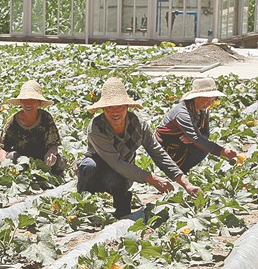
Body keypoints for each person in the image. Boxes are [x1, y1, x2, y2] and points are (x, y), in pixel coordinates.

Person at [77, 77, 200, 218]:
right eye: (109, 107)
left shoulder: (139, 125)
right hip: (99, 168)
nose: (115, 112)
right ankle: (83, 204)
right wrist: (151, 178)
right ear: (103, 109)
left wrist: (184, 183)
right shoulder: (96, 127)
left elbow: (157, 152)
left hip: (124, 171)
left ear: (127, 107)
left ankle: (122, 205)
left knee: (117, 180)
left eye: (120, 106)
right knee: (88, 166)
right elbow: (115, 162)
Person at [155, 77, 239, 173]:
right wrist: (222, 151)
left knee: (202, 147)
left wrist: (192, 138)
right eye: (207, 100)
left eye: (212, 100)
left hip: (183, 146)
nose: (209, 104)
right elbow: (197, 138)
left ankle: (183, 171)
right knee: (200, 145)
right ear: (196, 98)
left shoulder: (203, 110)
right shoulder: (182, 113)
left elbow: (205, 134)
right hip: (165, 147)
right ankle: (174, 172)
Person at [0, 80, 66, 174]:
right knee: (11, 156)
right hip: (20, 160)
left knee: (59, 161)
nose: (28, 103)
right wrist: (3, 161)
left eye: (33, 100)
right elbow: (2, 147)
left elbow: (54, 144)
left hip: (42, 159)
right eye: (25, 100)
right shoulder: (13, 121)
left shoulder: (46, 118)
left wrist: (51, 154)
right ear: (20, 102)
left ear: (39, 102)